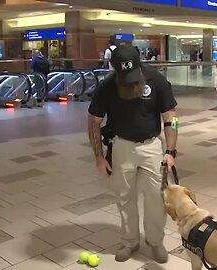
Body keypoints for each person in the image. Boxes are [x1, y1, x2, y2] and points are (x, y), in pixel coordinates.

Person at [88, 45, 178, 264]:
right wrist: (99, 157)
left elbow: (171, 117)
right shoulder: (108, 86)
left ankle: (156, 242)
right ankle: (130, 241)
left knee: (156, 198)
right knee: (124, 197)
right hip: (121, 146)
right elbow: (94, 121)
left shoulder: (157, 81)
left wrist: (171, 151)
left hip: (152, 146)